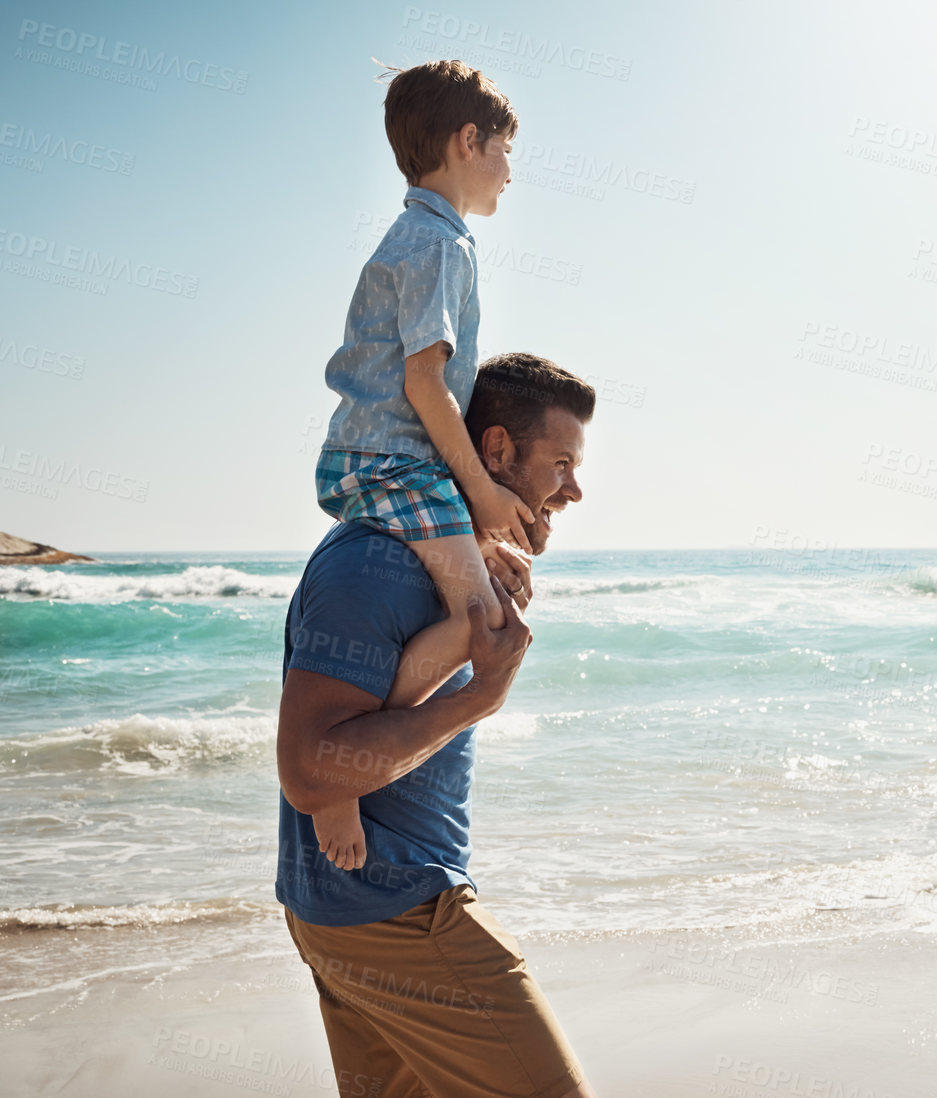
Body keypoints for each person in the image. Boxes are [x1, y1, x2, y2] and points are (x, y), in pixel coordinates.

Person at [276, 354, 597, 1098]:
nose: (574, 490)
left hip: (353, 913)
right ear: (494, 451)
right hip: (399, 914)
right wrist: (479, 697)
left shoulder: (443, 564)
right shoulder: (375, 565)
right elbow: (311, 771)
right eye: (560, 463)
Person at [310, 58, 530, 873]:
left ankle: (351, 756)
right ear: (467, 140)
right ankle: (340, 777)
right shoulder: (441, 245)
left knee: (485, 592)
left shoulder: (418, 235)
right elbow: (422, 380)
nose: (511, 171)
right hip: (398, 464)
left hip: (373, 457)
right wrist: (480, 492)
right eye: (505, 150)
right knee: (489, 619)